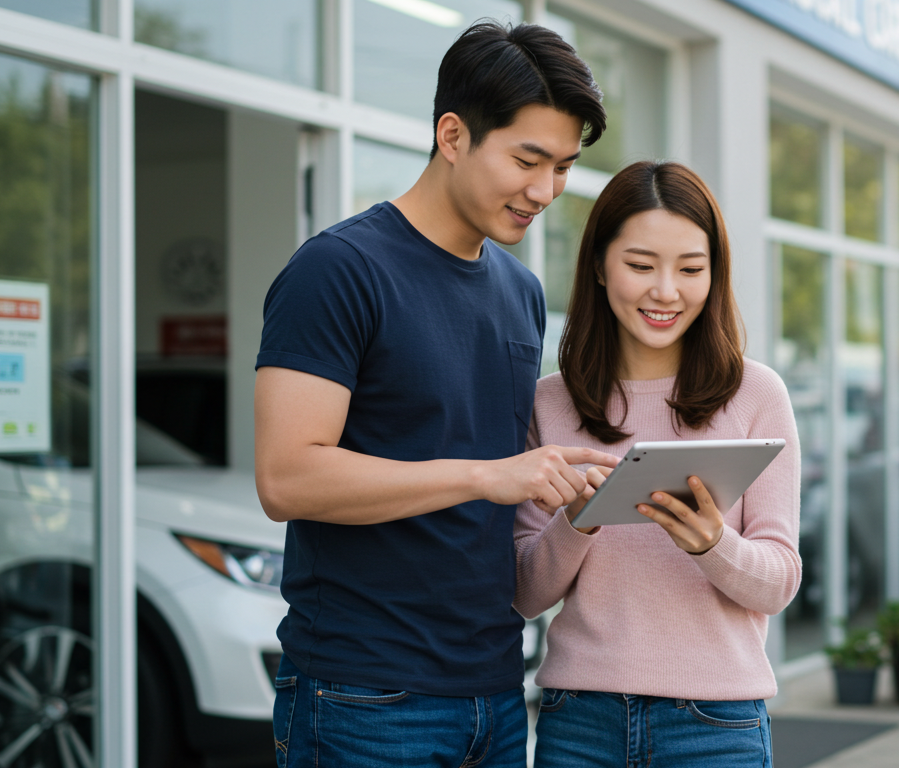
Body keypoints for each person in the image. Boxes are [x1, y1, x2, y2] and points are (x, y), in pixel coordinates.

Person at [253, 21, 618, 768]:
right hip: (363, 697)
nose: (545, 190)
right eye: (528, 159)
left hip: (494, 693)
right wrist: (487, 476)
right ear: (453, 135)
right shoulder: (337, 271)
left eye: (564, 167)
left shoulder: (520, 290)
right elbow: (286, 477)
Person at [513, 161, 802, 767]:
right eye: (641, 266)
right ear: (598, 264)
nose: (666, 291)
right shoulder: (549, 401)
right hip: (579, 721)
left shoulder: (757, 395)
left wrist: (711, 543)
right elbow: (523, 593)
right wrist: (578, 520)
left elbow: (778, 582)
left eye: (691, 269)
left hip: (714, 725)